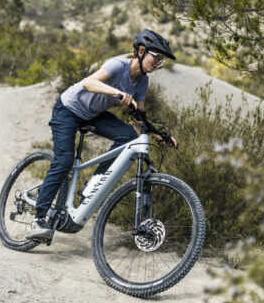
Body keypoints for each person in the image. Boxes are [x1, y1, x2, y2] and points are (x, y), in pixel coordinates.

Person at [26, 28, 178, 240]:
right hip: (68, 110)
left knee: (128, 137)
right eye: (157, 57)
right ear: (142, 51)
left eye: (162, 60)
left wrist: (159, 135)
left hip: (92, 114)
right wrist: (117, 93)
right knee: (64, 160)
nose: (158, 63)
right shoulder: (118, 65)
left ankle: (95, 180)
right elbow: (88, 83)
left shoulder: (142, 81)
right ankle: (38, 220)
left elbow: (139, 117)